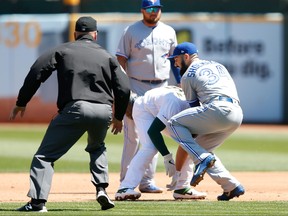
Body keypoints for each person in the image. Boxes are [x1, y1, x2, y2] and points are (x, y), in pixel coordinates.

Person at [9, 16, 131, 212]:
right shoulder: (108, 56)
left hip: (76, 108)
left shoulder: (63, 50)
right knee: (97, 147)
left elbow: (37, 71)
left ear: (75, 34)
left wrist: (22, 101)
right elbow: (124, 88)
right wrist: (118, 117)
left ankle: (37, 203)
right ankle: (101, 189)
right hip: (104, 110)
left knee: (44, 156)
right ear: (95, 35)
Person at [154, 42, 245, 201]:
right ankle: (231, 186)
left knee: (174, 123)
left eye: (176, 59)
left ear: (186, 57)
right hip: (236, 113)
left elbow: (193, 109)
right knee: (199, 150)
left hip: (218, 109)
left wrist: (187, 141)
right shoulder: (218, 65)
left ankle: (202, 159)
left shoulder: (187, 75)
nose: (175, 63)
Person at [116, 0, 180, 193]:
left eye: (157, 8)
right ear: (142, 10)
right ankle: (126, 180)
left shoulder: (169, 31)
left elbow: (175, 61)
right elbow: (120, 60)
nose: (154, 12)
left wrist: (179, 82)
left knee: (153, 133)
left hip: (160, 86)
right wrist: (123, 90)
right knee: (132, 136)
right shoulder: (131, 31)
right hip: (136, 84)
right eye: (150, 9)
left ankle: (146, 181)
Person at [115, 86, 207, 200]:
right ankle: (125, 187)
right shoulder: (175, 104)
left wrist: (178, 171)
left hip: (160, 107)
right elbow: (153, 131)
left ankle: (182, 188)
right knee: (150, 147)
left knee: (189, 144)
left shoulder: (200, 110)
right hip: (144, 109)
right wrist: (167, 157)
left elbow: (187, 143)